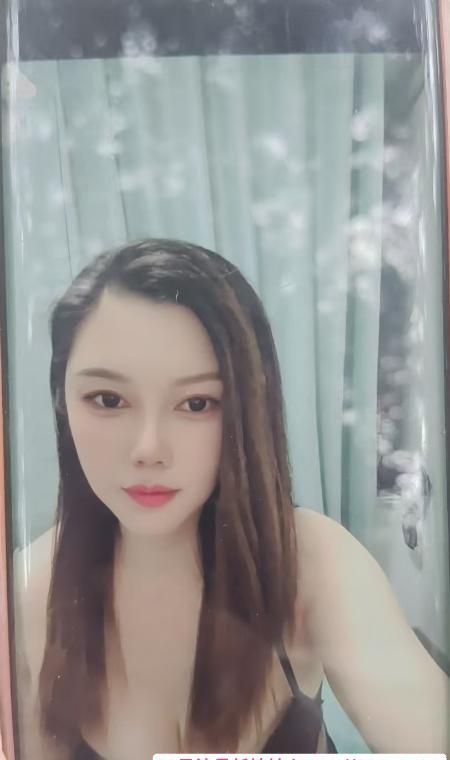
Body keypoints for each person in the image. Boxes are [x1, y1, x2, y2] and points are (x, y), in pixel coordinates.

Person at [13, 239, 449, 759]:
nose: (148, 448)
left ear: (246, 407)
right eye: (108, 400)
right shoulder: (31, 592)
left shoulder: (309, 562)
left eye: (197, 403)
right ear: (62, 401)